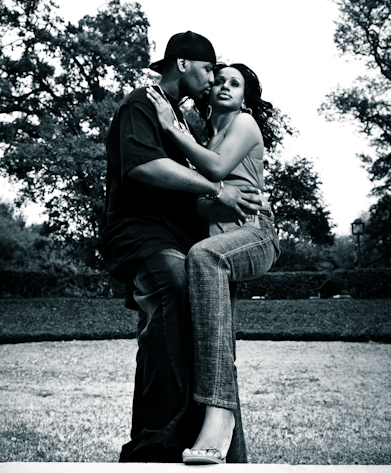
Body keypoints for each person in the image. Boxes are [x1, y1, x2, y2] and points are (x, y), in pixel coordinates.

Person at [101, 32, 262, 463]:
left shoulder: (184, 120)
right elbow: (144, 166)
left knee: (208, 327)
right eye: (209, 70)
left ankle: (225, 451)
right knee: (173, 284)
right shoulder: (144, 103)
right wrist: (218, 190)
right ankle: (156, 444)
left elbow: (210, 170)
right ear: (184, 64)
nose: (212, 80)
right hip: (142, 232)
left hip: (180, 238)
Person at [146, 63, 281, 464]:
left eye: (234, 84)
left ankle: (218, 416)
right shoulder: (207, 140)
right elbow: (199, 197)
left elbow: (217, 170)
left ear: (244, 98)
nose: (224, 86)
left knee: (203, 256)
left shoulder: (244, 124)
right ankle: (229, 456)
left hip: (254, 234)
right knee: (219, 350)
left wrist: (172, 129)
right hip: (219, 250)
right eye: (219, 80)